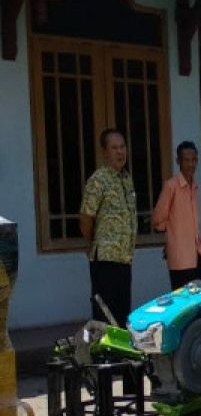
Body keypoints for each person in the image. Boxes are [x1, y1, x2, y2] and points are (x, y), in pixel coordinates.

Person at [80, 128, 137, 324]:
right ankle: (103, 355)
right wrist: (91, 245)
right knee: (104, 316)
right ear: (105, 152)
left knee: (121, 316)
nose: (120, 152)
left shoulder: (126, 179)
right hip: (105, 260)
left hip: (124, 259)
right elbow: (86, 217)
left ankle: (119, 355)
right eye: (114, 148)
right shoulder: (98, 180)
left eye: (122, 147)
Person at [153, 140, 201, 290]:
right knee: (181, 299)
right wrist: (173, 232)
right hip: (179, 254)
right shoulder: (171, 186)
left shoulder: (193, 186)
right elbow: (158, 219)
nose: (191, 164)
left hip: (195, 251)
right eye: (186, 160)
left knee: (194, 299)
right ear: (178, 161)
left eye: (194, 160)